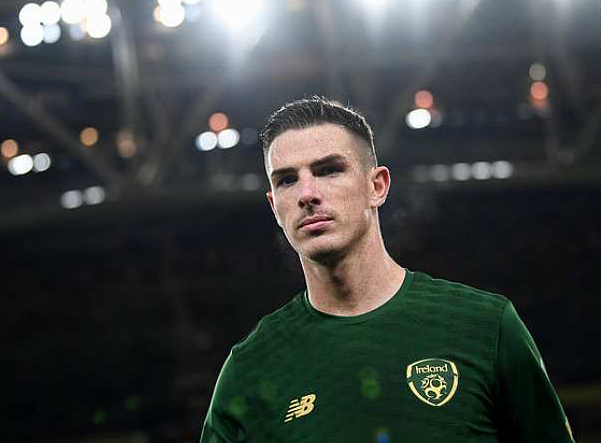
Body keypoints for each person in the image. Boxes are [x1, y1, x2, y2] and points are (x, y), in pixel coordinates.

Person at [200, 96, 574, 442]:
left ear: (377, 186)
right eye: (286, 180)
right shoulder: (249, 370)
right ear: (273, 206)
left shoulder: (486, 327)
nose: (307, 194)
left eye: (329, 170)